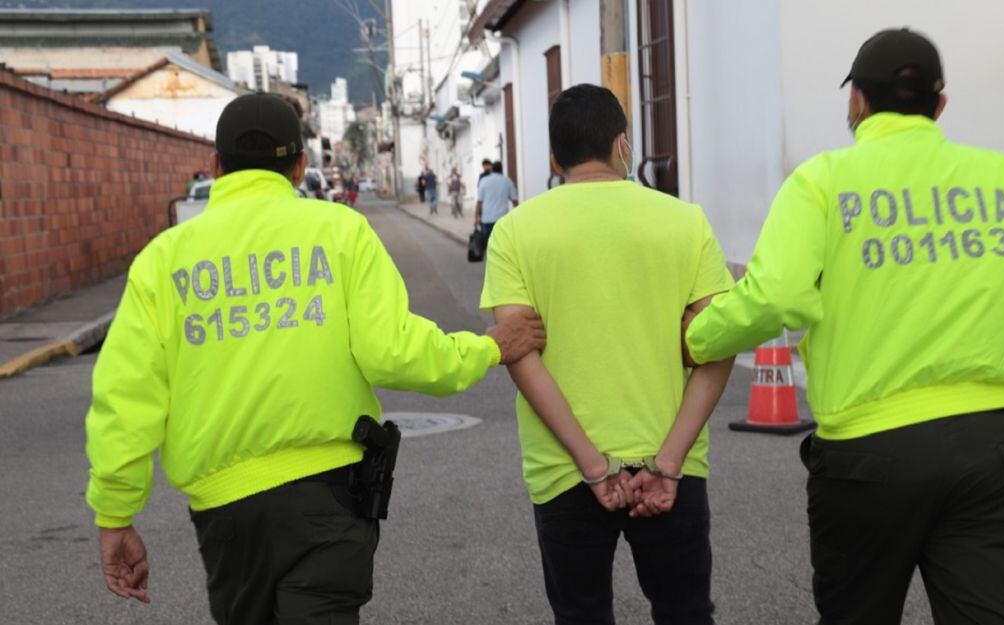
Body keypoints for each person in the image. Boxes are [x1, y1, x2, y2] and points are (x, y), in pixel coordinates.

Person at [84, 93, 547, 625]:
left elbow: (125, 400)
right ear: (300, 166)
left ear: (215, 166)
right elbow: (394, 352)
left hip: (227, 514)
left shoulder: (161, 262)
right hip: (331, 500)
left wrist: (115, 514)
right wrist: (487, 347)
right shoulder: (340, 231)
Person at [684, 28, 1004, 625]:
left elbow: (775, 295)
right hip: (992, 448)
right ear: (940, 106)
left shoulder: (821, 182)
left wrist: (698, 339)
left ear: (856, 102)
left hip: (869, 458)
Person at [480, 84, 736, 625]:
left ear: (554, 159)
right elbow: (718, 347)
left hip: (564, 469)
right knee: (686, 612)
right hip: (672, 459)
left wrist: (594, 467)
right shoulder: (685, 221)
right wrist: (668, 462)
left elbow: (520, 356)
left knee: (581, 614)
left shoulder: (513, 233)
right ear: (624, 144)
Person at [474, 161, 518, 254]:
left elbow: (479, 202)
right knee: (502, 248)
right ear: (502, 169)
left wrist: (476, 218)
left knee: (489, 249)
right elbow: (515, 201)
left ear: (492, 170)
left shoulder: (484, 181)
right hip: (502, 220)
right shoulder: (507, 181)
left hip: (486, 220)